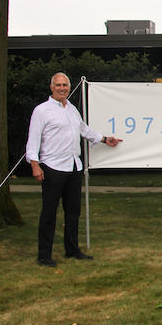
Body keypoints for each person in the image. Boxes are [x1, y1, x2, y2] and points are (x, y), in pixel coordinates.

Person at [26, 73, 122, 267]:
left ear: (69, 87)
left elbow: (83, 129)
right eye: (58, 85)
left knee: (73, 212)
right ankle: (44, 255)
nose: (62, 88)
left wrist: (104, 139)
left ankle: (72, 250)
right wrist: (34, 164)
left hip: (73, 166)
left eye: (65, 85)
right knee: (49, 214)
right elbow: (33, 138)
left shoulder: (72, 109)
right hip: (52, 167)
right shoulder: (41, 111)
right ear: (51, 87)